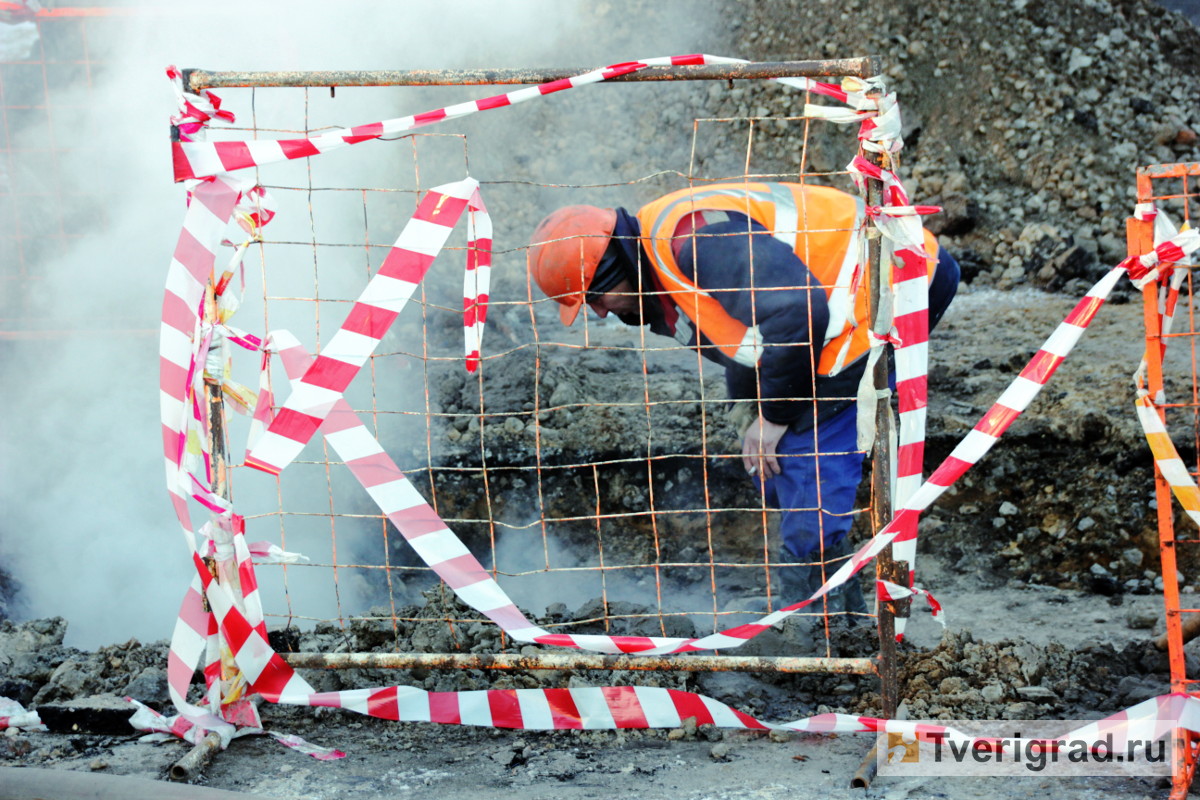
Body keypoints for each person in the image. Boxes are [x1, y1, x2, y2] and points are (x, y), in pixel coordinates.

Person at [526, 182, 959, 617]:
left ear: (615, 264)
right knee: (775, 462)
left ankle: (817, 618)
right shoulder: (661, 259)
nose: (599, 313)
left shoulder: (694, 242)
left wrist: (773, 417)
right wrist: (749, 407)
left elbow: (795, 312)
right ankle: (834, 593)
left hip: (895, 285)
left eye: (594, 298)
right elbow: (742, 329)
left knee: (805, 444)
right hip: (838, 306)